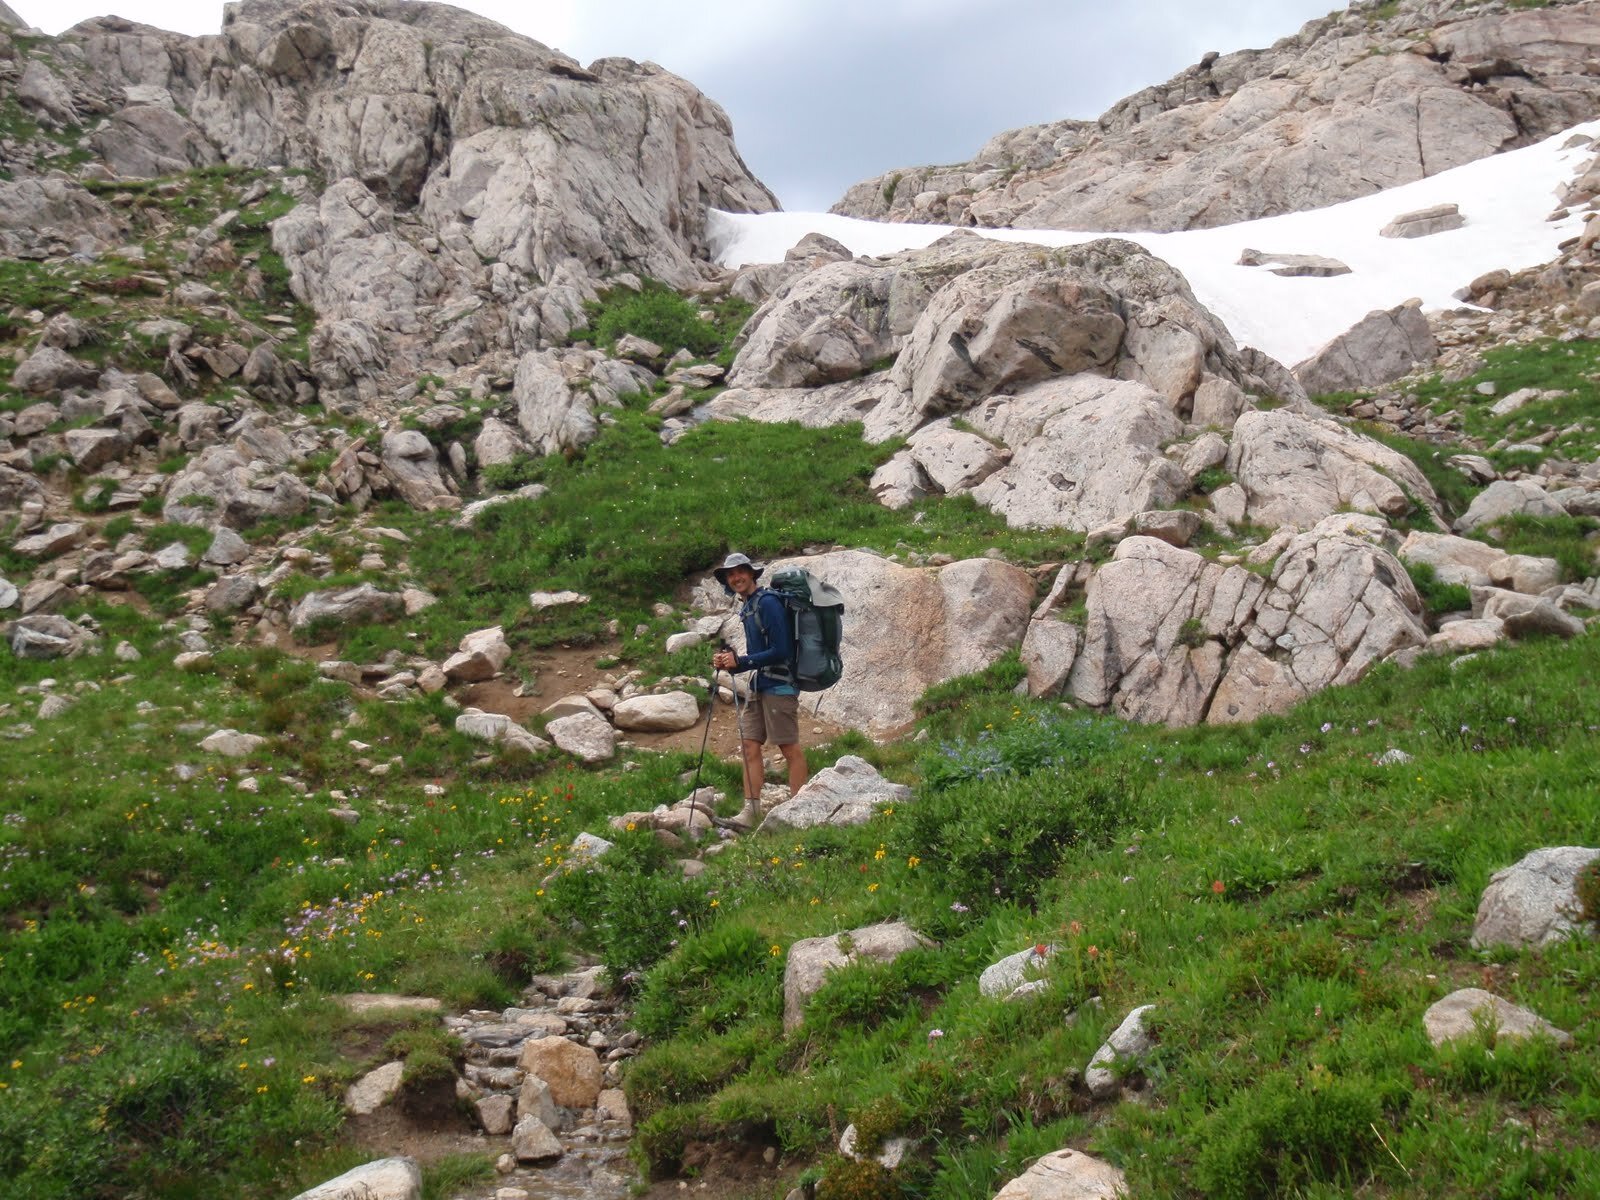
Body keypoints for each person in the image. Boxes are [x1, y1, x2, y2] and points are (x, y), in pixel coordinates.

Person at [710, 552, 808, 826]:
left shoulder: (768, 603)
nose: (736, 578)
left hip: (780, 685)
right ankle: (750, 813)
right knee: (749, 746)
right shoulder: (749, 605)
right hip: (760, 684)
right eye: (730, 575)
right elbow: (759, 654)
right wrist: (732, 662)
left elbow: (782, 650)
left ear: (751, 573)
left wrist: (742, 661)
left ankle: (799, 811)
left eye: (740, 572)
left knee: (789, 748)